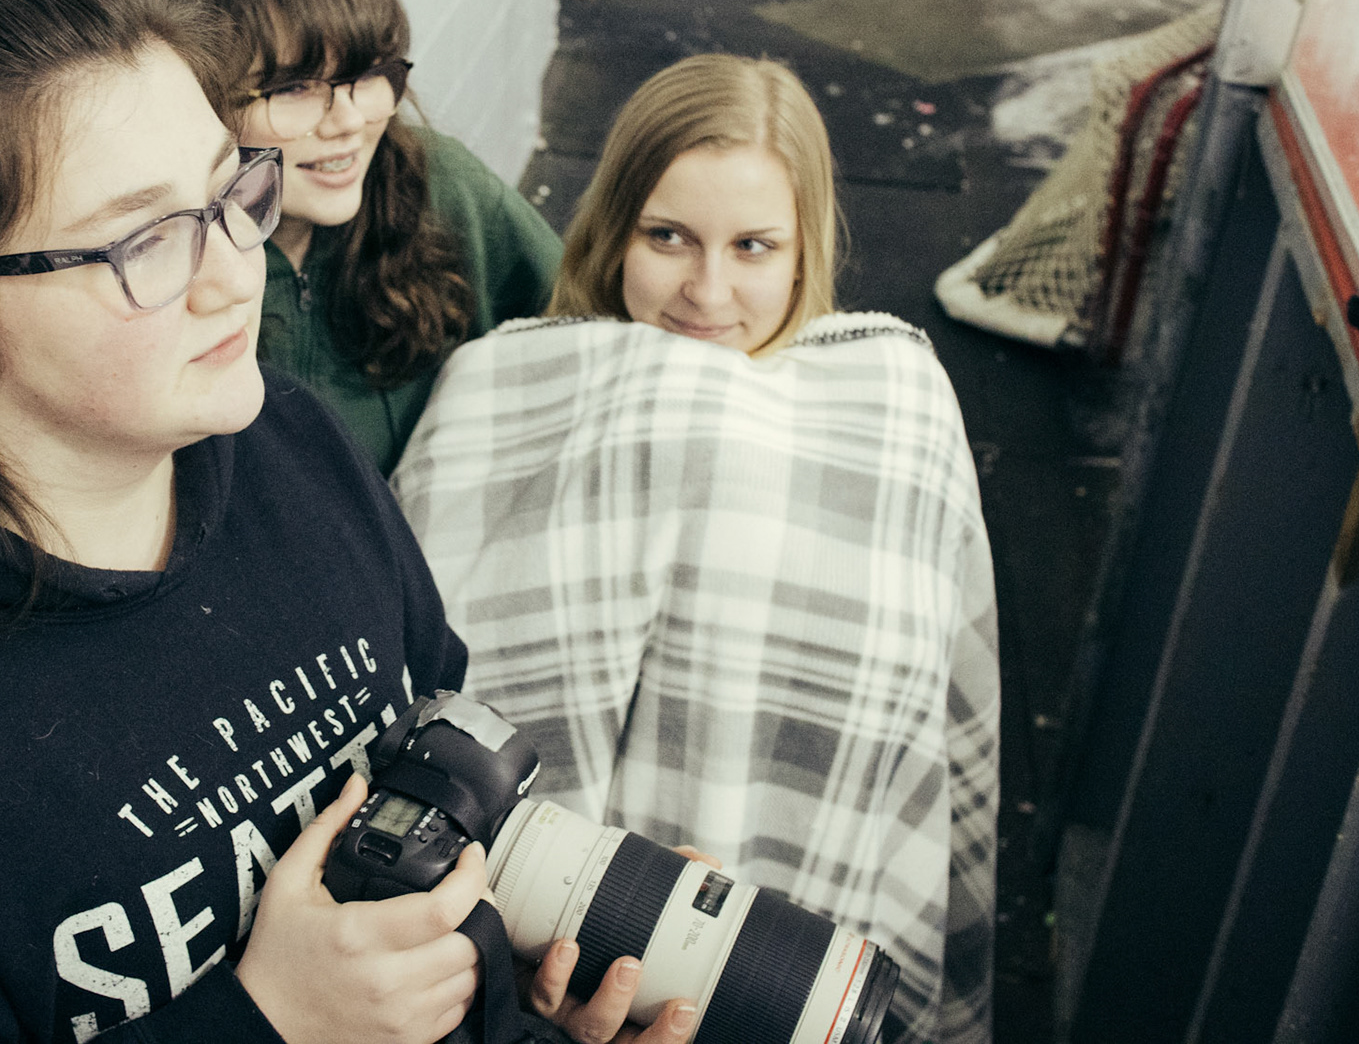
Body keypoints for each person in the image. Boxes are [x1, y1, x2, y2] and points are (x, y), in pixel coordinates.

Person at [0, 0, 691, 1044]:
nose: (236, 271)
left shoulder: (286, 445)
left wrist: (527, 973)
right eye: (146, 240)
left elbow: (440, 763)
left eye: (230, 193)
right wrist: (271, 1021)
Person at [392, 55, 1001, 1044]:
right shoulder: (497, 386)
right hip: (546, 938)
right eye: (667, 236)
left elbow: (910, 712)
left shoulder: (894, 401)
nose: (707, 291)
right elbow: (431, 668)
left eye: (754, 245)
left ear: (804, 250)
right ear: (613, 229)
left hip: (798, 927)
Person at [141, 0, 563, 475]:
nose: (349, 120)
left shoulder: (440, 182)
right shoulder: (150, 266)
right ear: (195, 95)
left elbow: (580, 320)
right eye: (293, 88)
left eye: (368, 77)